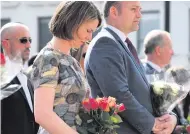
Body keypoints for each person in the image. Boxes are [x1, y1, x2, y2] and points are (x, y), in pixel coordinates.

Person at [85, 1, 177, 134]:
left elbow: (144, 91)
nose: (139, 15)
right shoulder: (105, 43)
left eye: (140, 9)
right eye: (134, 9)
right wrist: (153, 124)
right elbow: (118, 94)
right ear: (114, 12)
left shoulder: (119, 43)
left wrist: (170, 117)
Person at [27, 1, 101, 134]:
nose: (90, 37)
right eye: (88, 30)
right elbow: (42, 114)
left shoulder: (71, 60)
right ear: (73, 22)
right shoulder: (49, 58)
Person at [142, 30, 188, 125]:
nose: (173, 52)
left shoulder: (164, 74)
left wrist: (179, 125)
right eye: (170, 48)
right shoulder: (143, 73)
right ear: (159, 50)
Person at [1, 22, 39, 134]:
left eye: (29, 40)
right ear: (6, 44)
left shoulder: (27, 77)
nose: (28, 45)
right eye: (23, 40)